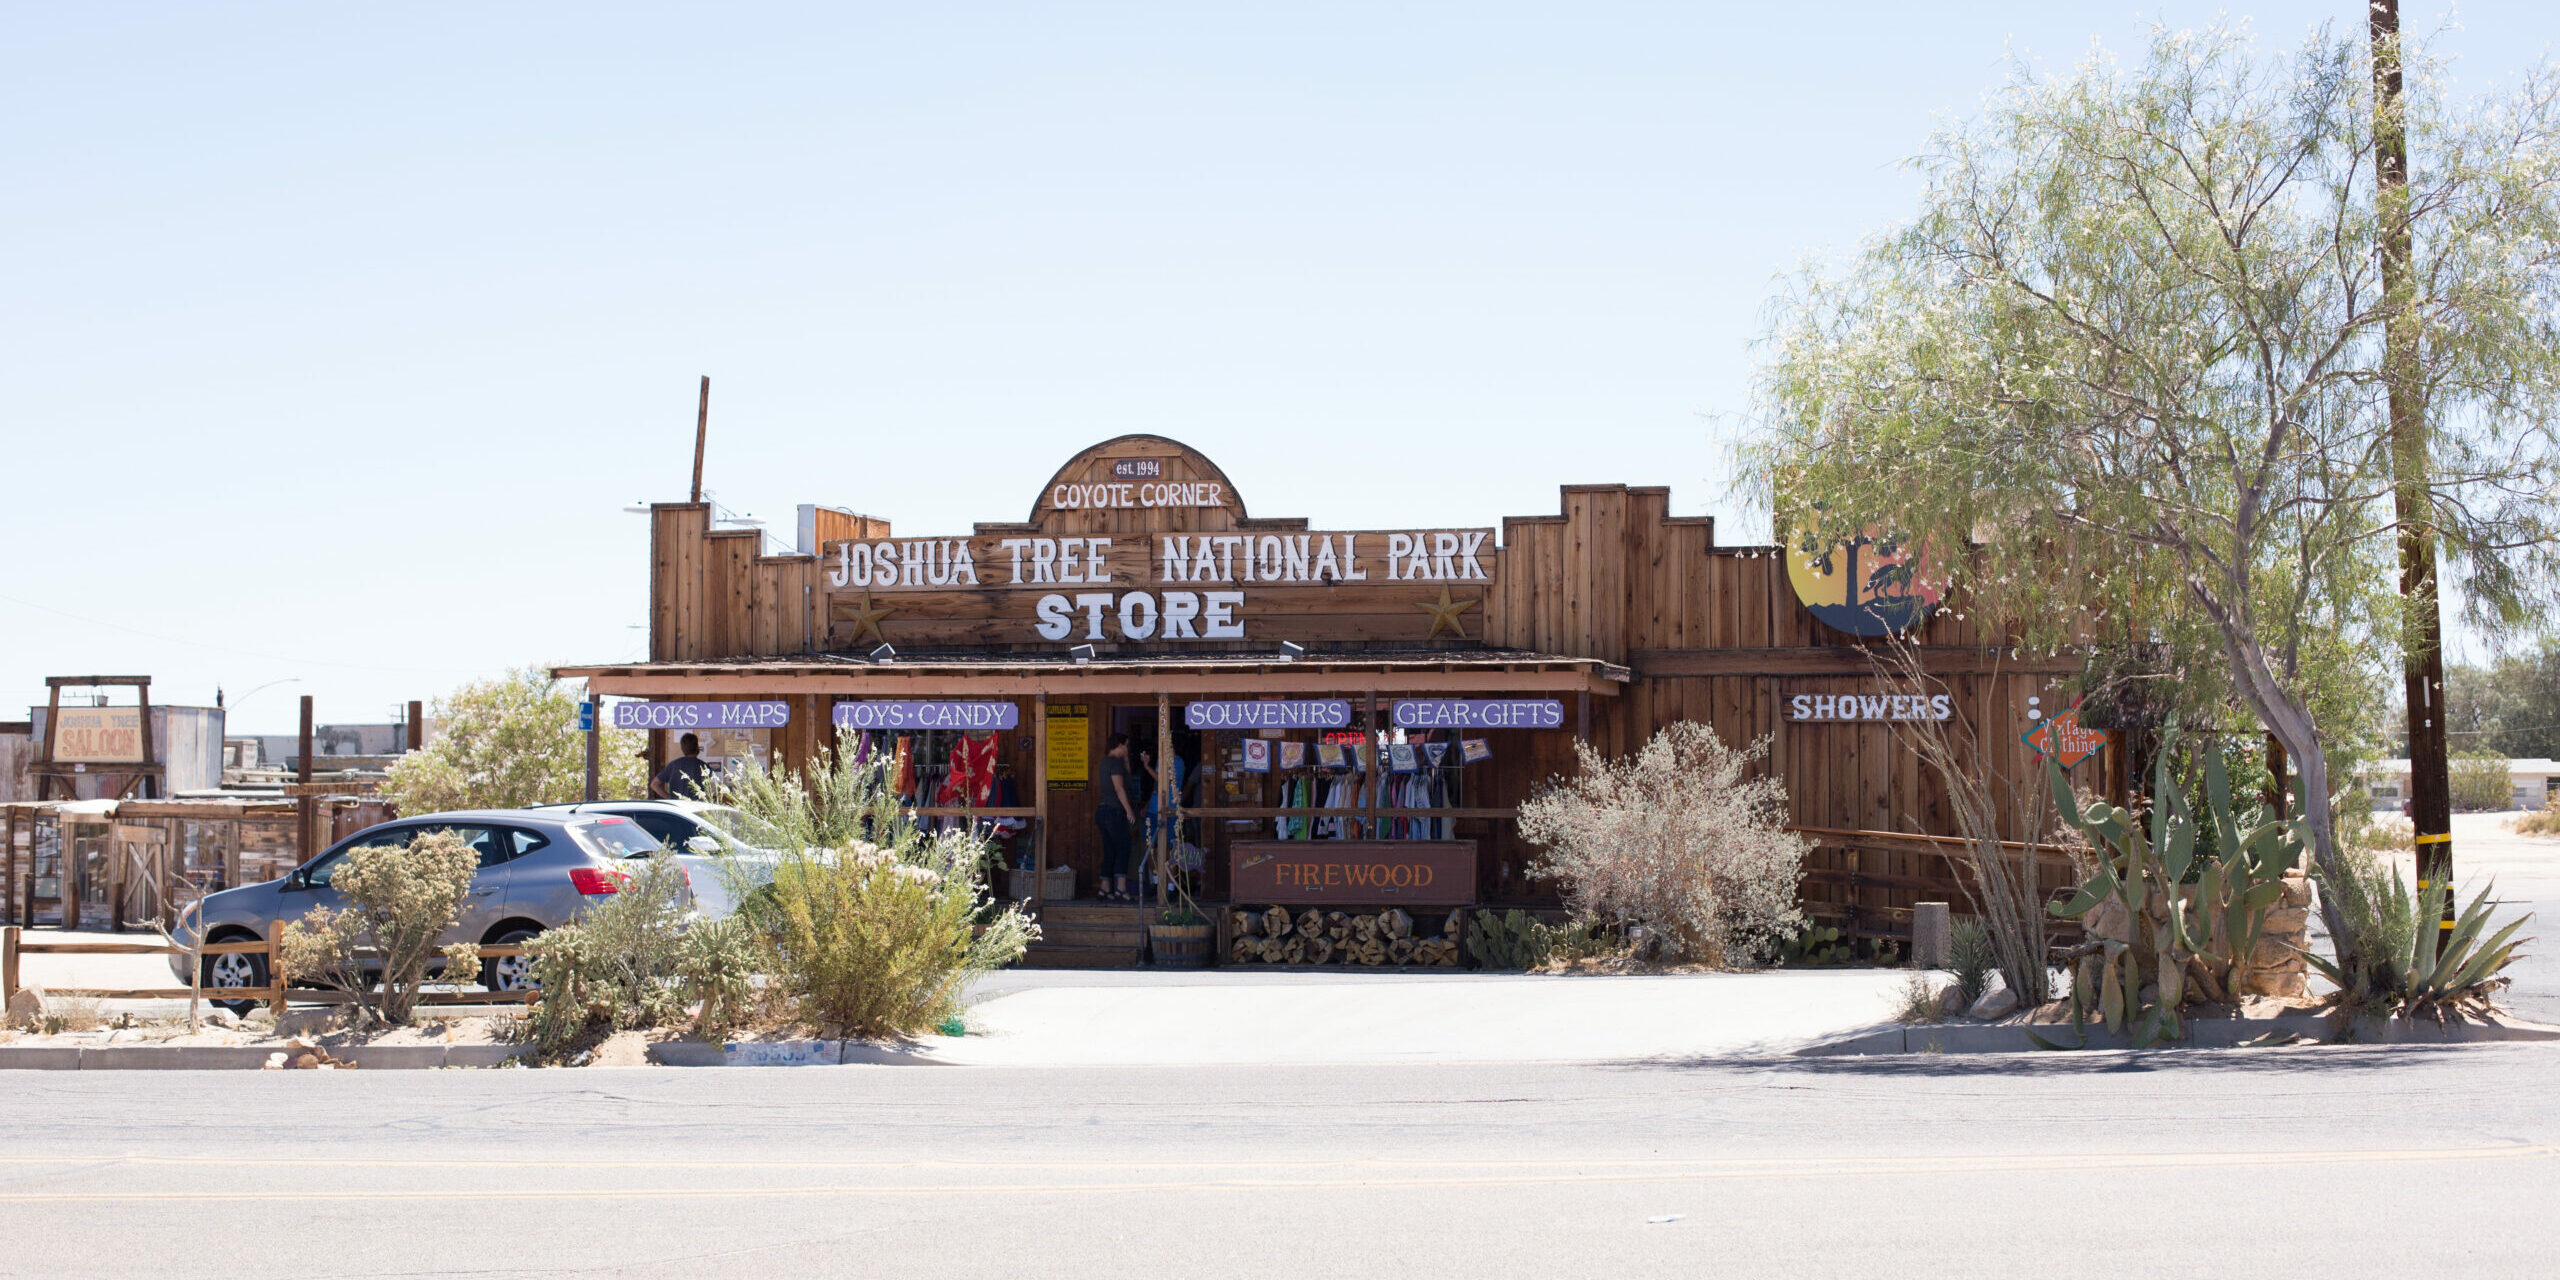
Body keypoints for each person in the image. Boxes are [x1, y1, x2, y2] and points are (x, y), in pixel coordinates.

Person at [1096, 733, 1138, 902]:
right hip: (1114, 811)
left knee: (1109, 850)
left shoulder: (1106, 762)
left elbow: (1127, 778)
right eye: (1126, 745)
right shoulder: (1114, 763)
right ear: (1119, 745)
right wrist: (1129, 810)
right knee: (1123, 848)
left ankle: (1105, 889)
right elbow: (1120, 788)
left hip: (1102, 811)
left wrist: (1127, 759)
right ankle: (1121, 889)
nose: (1127, 748)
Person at [651, 733, 714, 800]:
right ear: (697, 746)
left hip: (677, 807)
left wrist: (670, 798)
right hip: (697, 807)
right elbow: (712, 789)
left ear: (682, 748)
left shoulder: (673, 765)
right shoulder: (704, 767)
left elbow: (654, 784)